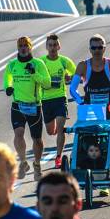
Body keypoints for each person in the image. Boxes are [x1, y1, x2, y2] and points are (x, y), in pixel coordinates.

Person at [3, 37, 51, 181]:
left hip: (34, 106)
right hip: (17, 105)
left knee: (37, 140)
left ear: (30, 47)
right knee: (18, 134)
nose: (23, 48)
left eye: (26, 46)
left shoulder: (38, 63)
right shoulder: (12, 65)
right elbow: (8, 78)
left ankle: (36, 164)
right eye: (21, 46)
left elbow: (47, 83)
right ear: (18, 48)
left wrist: (34, 73)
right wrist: (8, 87)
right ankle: (23, 162)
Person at [70, 34, 110, 120]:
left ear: (104, 48)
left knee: (108, 132)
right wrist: (81, 103)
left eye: (100, 47)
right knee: (86, 132)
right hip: (88, 109)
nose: (97, 51)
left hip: (107, 110)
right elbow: (72, 89)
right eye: (94, 48)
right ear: (90, 49)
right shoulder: (83, 66)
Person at [40, 34, 76, 168]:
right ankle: (58, 130)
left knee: (60, 129)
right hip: (46, 100)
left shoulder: (64, 61)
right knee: (51, 132)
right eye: (50, 45)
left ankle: (58, 157)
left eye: (55, 45)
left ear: (59, 46)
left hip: (60, 98)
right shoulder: (41, 62)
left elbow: (77, 73)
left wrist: (69, 77)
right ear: (46, 47)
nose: (53, 48)